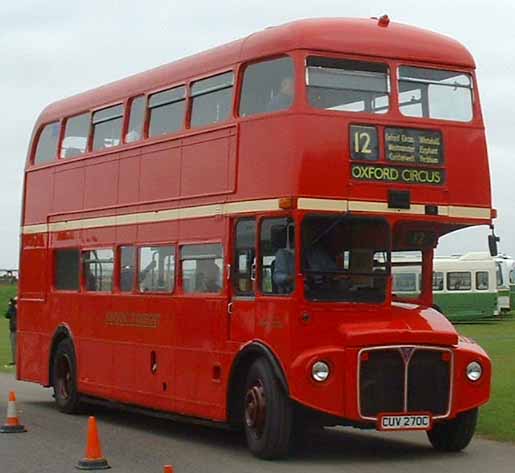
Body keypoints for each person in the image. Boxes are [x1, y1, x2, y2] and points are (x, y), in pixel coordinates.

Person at [4, 296, 17, 367]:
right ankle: (16, 361)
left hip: (15, 330)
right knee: (15, 346)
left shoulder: (13, 310)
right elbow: (7, 315)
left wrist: (11, 306)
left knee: (14, 346)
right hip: (15, 330)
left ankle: (15, 361)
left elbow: (7, 315)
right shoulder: (14, 309)